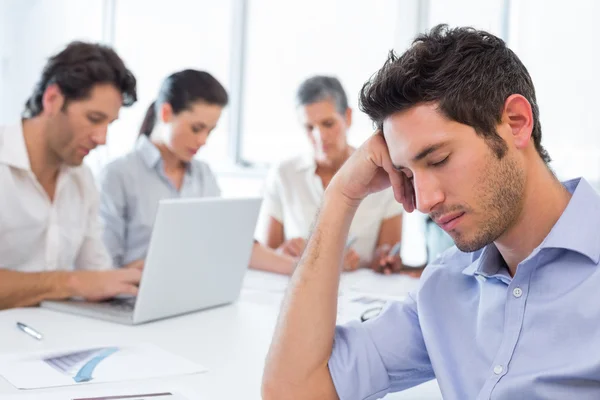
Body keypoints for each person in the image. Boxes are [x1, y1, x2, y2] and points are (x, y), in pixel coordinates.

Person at [262, 25, 600, 399]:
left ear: (516, 123)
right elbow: (291, 390)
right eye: (405, 174)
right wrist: (341, 196)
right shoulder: (446, 286)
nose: (423, 202)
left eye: (438, 159)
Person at [99, 69, 296, 274]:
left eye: (210, 131)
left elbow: (231, 243)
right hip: (131, 297)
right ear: (166, 113)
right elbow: (102, 267)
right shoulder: (118, 175)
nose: (203, 141)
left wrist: (300, 268)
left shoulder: (203, 175)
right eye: (196, 128)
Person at [0, 41, 141, 310]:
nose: (102, 138)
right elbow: (78, 281)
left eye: (109, 124)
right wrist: (70, 282)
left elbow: (94, 272)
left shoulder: (82, 179)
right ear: (52, 99)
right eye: (94, 118)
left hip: (55, 337)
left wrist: (127, 278)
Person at [256, 76, 405, 274]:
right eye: (309, 127)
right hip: (299, 290)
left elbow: (386, 256)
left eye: (328, 124)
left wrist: (385, 260)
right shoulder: (284, 175)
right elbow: (268, 254)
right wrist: (282, 254)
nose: (320, 137)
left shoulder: (382, 175)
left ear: (348, 117)